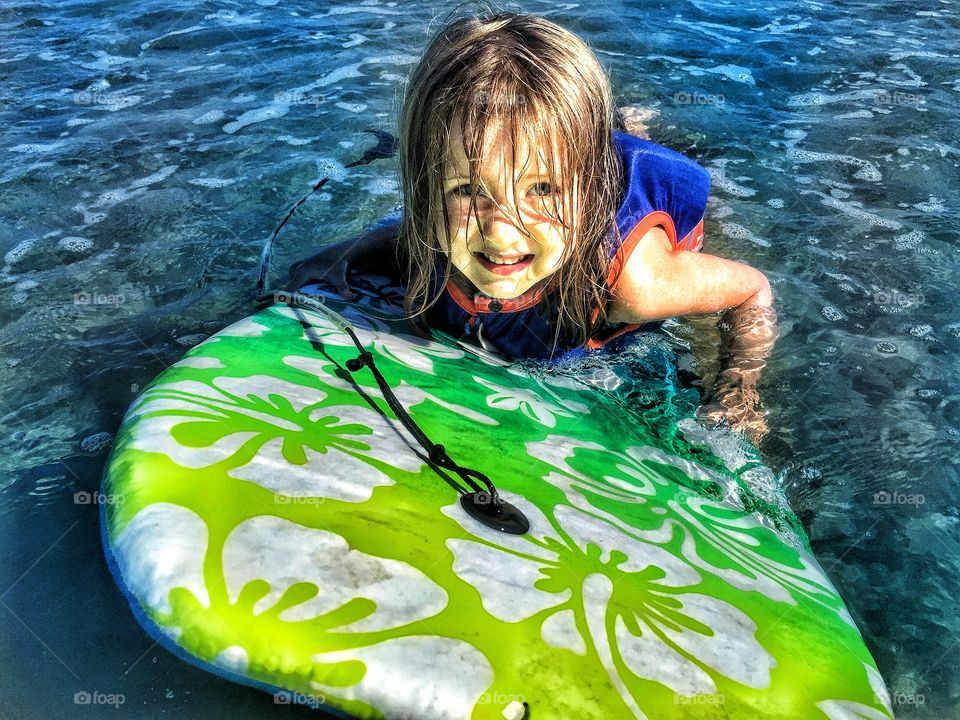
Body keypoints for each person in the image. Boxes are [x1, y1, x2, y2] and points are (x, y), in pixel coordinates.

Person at [287, 12, 779, 445]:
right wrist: (316, 271)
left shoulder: (636, 285)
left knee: (621, 147)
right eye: (466, 190)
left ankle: (628, 130)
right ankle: (586, 148)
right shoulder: (432, 233)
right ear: (424, 189)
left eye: (540, 191)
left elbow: (751, 289)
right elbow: (392, 241)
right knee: (545, 153)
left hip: (634, 191)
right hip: (568, 163)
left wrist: (740, 388)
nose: (503, 234)